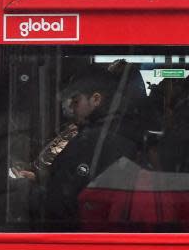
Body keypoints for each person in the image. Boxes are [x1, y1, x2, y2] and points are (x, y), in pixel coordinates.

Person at [42, 67, 142, 222]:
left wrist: (34, 190)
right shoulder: (130, 132)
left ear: (95, 99)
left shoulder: (90, 141)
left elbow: (61, 199)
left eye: (76, 101)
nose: (72, 109)